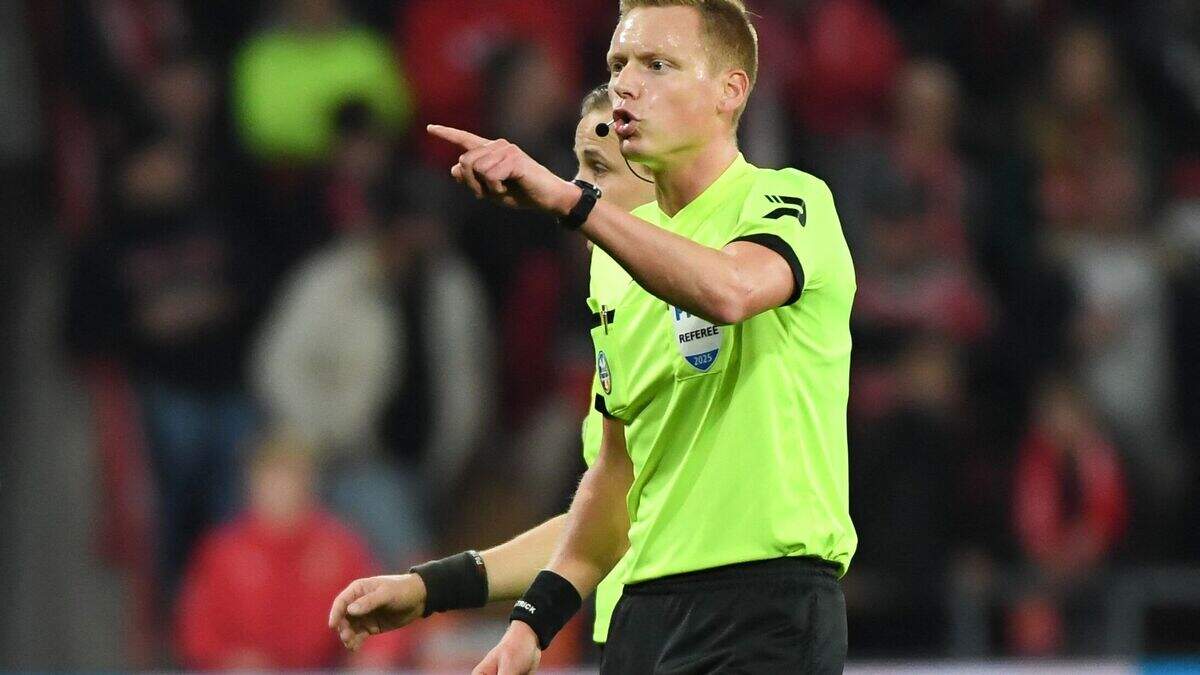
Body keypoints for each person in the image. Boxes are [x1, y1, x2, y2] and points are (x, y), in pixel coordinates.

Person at [337, 1, 858, 672]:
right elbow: (617, 491)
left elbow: (730, 290)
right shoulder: (611, 281)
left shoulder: (786, 200)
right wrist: (520, 619)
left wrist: (567, 202)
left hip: (763, 603)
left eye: (657, 65)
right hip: (640, 614)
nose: (627, 85)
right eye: (619, 65)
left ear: (730, 90)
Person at [326, 83, 655, 656]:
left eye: (598, 168)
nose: (577, 188)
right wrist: (431, 589)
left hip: (739, 639)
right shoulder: (619, 315)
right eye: (577, 168)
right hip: (647, 641)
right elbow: (607, 522)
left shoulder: (749, 257)